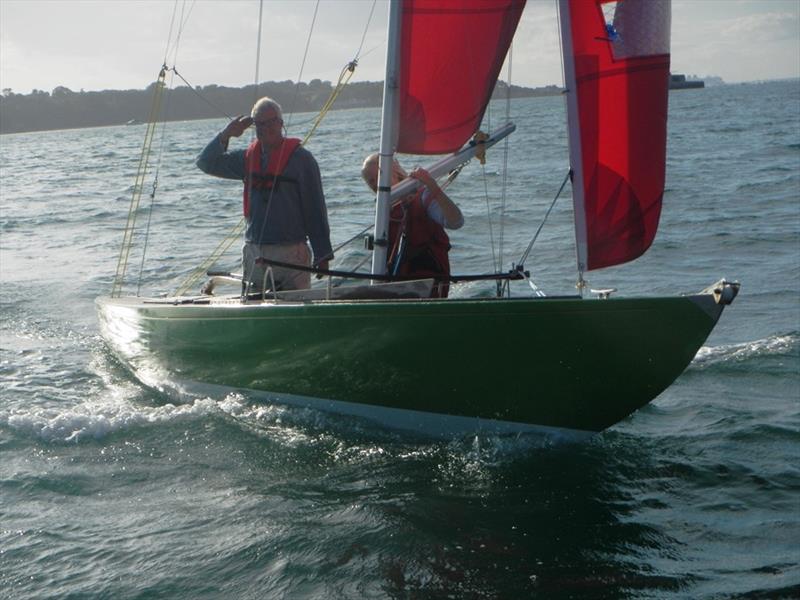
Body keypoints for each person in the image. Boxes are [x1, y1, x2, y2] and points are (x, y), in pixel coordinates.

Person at [196, 97, 333, 292]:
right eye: (260, 124)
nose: (266, 128)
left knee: (293, 310)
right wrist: (226, 135)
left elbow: (315, 209)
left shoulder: (302, 160)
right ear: (254, 127)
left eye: (271, 122)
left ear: (281, 123)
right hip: (255, 253)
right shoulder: (246, 159)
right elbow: (205, 163)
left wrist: (323, 255)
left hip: (291, 253)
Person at [361, 152, 464, 297]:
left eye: (376, 177)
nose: (374, 185)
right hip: (395, 288)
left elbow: (456, 221)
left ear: (394, 170)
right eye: (369, 181)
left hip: (428, 287)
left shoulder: (423, 196)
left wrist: (431, 184)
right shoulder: (383, 209)